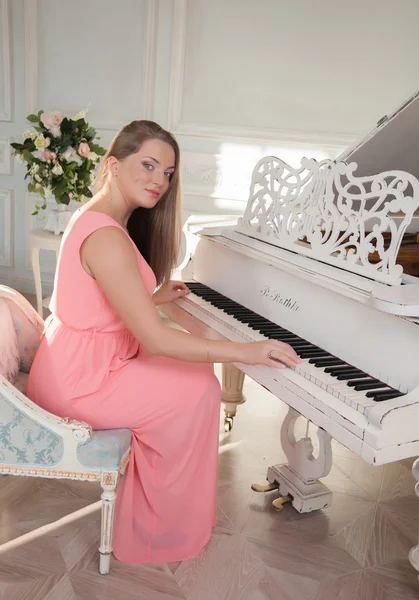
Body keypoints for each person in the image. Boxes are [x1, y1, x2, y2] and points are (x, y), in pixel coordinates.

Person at [26, 120, 299, 565]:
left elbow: (95, 300)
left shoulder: (101, 215)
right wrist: (245, 351)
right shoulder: (106, 235)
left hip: (80, 360)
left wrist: (151, 297)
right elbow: (153, 336)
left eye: (168, 172)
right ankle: (156, 530)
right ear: (113, 164)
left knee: (195, 374)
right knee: (197, 389)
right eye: (148, 165)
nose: (159, 180)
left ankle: (168, 513)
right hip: (81, 380)